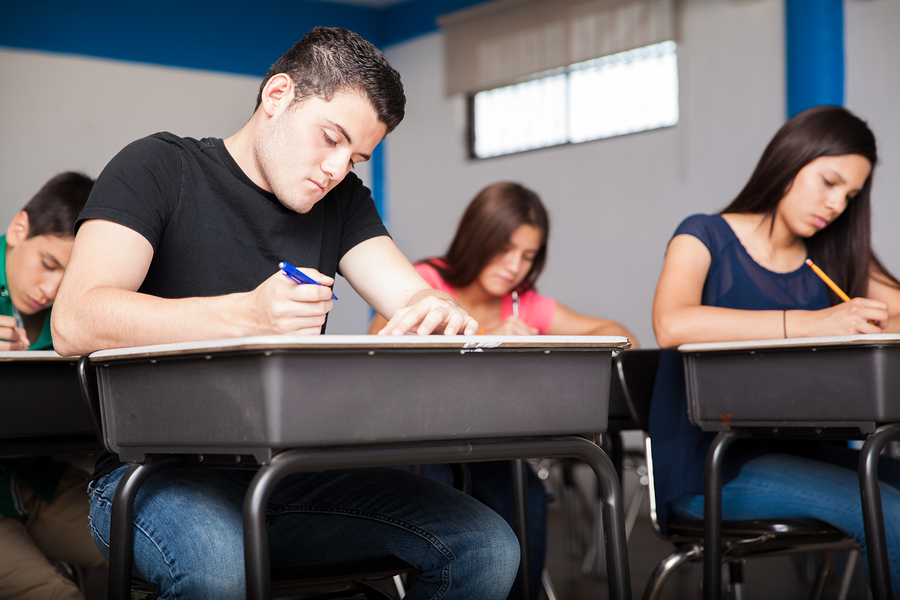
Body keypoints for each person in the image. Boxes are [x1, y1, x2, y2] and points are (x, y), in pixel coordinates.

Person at [50, 27, 520, 600]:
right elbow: (76, 320)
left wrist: (438, 310)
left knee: (486, 545)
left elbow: (412, 295)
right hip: (151, 475)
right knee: (220, 567)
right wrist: (248, 314)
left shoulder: (342, 201)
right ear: (277, 95)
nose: (337, 169)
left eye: (357, 157)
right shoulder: (158, 167)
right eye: (330, 138)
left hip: (289, 477)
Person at [649, 105, 900, 593]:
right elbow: (671, 323)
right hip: (713, 468)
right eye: (828, 182)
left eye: (849, 196)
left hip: (805, 453)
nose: (836, 205)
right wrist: (813, 323)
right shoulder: (702, 235)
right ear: (791, 159)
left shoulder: (831, 255)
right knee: (888, 514)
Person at [368, 181, 639, 600]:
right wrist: (490, 335)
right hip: (413, 444)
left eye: (528, 256)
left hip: (481, 447)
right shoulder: (425, 280)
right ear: (478, 238)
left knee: (529, 494)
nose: (514, 265)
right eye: (504, 248)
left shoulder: (523, 303)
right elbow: (377, 348)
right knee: (447, 500)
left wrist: (535, 339)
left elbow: (620, 334)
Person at [0, 171, 108, 599]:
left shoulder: (77, 308)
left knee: (154, 551)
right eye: (47, 264)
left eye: (67, 276)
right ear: (18, 229)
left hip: (40, 480)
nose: (50, 290)